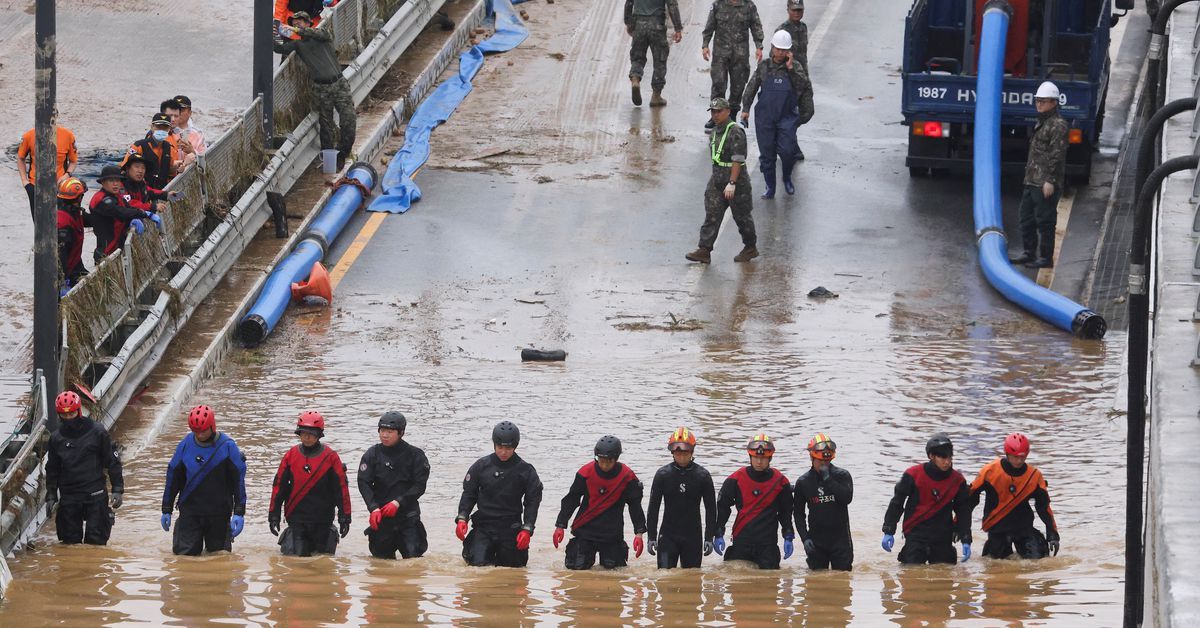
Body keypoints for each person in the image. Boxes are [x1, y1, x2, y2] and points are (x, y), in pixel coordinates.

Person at [161, 405, 249, 556]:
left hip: (219, 514)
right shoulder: (185, 445)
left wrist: (239, 512)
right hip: (190, 512)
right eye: (195, 431)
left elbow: (238, 482)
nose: (199, 435)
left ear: (212, 426)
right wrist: (166, 509)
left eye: (203, 431)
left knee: (219, 559)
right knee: (185, 559)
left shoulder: (228, 447)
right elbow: (173, 477)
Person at [455, 421, 543, 567]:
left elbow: (532, 502)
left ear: (515, 446)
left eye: (508, 448)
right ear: (494, 444)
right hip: (483, 526)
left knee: (512, 570)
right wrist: (462, 518)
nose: (503, 452)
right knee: (477, 567)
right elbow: (469, 494)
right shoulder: (480, 466)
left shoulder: (526, 471)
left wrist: (527, 528)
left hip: (511, 527)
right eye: (500, 447)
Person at [275, 11, 357, 169]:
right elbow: (279, 48)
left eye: (300, 21)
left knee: (348, 120)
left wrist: (297, 31)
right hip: (321, 88)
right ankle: (329, 161)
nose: (296, 24)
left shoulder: (322, 35)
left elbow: (317, 33)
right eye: (294, 22)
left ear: (308, 23)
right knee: (325, 126)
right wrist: (274, 31)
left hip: (339, 84)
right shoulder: (299, 45)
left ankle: (343, 153)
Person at [553, 435, 647, 570]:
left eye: (608, 461)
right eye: (601, 460)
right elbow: (571, 499)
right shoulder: (585, 473)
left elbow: (635, 507)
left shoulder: (628, 477)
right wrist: (560, 525)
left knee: (614, 574)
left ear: (616, 459)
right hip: (585, 531)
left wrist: (639, 533)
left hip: (612, 534)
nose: (604, 465)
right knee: (576, 571)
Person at [740, 29, 813, 199]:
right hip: (765, 117)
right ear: (772, 47)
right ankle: (770, 187)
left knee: (788, 152)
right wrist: (745, 109)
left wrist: (791, 70)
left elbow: (803, 87)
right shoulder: (764, 66)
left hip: (786, 117)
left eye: (783, 50)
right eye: (777, 49)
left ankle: (787, 178)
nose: (780, 53)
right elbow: (751, 87)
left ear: (789, 51)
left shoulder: (795, 67)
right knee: (767, 155)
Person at [267, 411, 353, 556]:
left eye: (311, 433)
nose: (306, 437)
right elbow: (279, 487)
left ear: (319, 434)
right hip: (296, 518)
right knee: (297, 562)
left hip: (323, 519)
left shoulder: (331, 457)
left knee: (322, 563)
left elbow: (341, 489)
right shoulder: (290, 455)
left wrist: (345, 518)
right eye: (303, 433)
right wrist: (273, 515)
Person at [44, 391, 123, 545]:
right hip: (69, 497)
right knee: (69, 544)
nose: (68, 419)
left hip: (95, 494)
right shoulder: (56, 438)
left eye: (71, 414)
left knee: (96, 543)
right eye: (64, 415)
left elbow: (112, 462)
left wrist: (117, 489)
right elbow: (52, 468)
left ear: (79, 411)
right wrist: (51, 495)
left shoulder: (98, 432)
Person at [881, 433, 973, 565]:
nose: (947, 462)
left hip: (943, 537)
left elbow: (963, 511)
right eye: (942, 457)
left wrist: (966, 538)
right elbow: (897, 502)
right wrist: (889, 530)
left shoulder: (958, 481)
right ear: (931, 456)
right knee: (911, 577)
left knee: (945, 579)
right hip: (916, 535)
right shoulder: (913, 475)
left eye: (949, 457)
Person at [686, 98, 758, 264]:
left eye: (719, 111)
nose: (715, 115)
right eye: (713, 111)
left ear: (727, 111)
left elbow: (737, 160)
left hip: (736, 181)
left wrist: (732, 183)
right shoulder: (715, 130)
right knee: (712, 214)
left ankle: (750, 247)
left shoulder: (735, 132)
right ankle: (704, 250)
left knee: (742, 217)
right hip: (717, 179)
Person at [969, 432, 1060, 559]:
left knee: (1039, 561)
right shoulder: (990, 471)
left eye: (1022, 457)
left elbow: (1044, 508)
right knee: (995, 568)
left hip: (1023, 527)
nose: (1019, 461)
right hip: (998, 529)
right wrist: (960, 527)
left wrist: (1053, 535)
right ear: (1007, 454)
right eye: (1015, 457)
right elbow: (969, 499)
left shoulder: (1034, 476)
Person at [1009, 81, 1068, 269]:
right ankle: (1029, 252)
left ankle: (1045, 257)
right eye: (1037, 101)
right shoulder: (1042, 122)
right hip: (1032, 180)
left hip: (1045, 182)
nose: (1039, 104)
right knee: (1025, 218)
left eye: (1043, 101)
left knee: (1045, 220)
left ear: (1053, 103)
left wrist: (1050, 181)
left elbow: (1056, 155)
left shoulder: (1058, 125)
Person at [713, 434, 795, 569]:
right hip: (741, 540)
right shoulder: (736, 479)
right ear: (750, 456)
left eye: (763, 458)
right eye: (756, 457)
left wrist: (788, 535)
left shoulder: (781, 482)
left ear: (770, 458)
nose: (759, 462)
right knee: (737, 584)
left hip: (767, 544)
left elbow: (786, 513)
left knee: (769, 583)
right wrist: (718, 533)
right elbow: (723, 507)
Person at [358, 411, 430, 559]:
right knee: (381, 565)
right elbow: (363, 482)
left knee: (413, 562)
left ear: (401, 432)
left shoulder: (416, 455)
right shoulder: (372, 454)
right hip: (382, 518)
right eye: (382, 431)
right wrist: (373, 508)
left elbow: (419, 486)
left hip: (408, 517)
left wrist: (398, 502)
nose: (385, 435)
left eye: (389, 432)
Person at [645, 427, 717, 569]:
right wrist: (651, 536)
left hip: (693, 537)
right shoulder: (662, 475)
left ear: (692, 452)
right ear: (672, 452)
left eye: (685, 453)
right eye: (678, 453)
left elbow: (711, 509)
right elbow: (653, 507)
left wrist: (709, 537)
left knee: (692, 582)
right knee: (664, 580)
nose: (682, 457)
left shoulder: (702, 475)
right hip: (667, 536)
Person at [793, 433, 853, 570]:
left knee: (843, 581)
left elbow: (847, 498)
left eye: (827, 461)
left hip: (841, 541)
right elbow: (798, 514)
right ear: (812, 457)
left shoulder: (842, 475)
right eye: (820, 461)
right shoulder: (803, 482)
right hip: (816, 542)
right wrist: (805, 538)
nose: (824, 464)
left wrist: (828, 480)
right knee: (815, 584)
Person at [701, 0, 764, 131]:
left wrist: (759, 46)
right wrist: (705, 45)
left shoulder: (749, 6)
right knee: (718, 84)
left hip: (740, 55)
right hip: (720, 54)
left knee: (738, 86)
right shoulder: (718, 5)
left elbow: (756, 26)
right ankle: (716, 116)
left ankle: (732, 114)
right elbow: (709, 26)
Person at [89, 165, 161, 263]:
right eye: (111, 181)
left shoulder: (117, 196)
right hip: (107, 254)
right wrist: (144, 213)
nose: (115, 184)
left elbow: (128, 208)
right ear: (103, 182)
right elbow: (121, 212)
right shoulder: (101, 199)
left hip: (118, 247)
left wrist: (134, 218)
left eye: (118, 180)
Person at [17, 108, 79, 220]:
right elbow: (20, 158)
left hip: (59, 188)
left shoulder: (68, 136)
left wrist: (67, 175)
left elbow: (73, 161)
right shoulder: (29, 136)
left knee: (60, 224)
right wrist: (25, 182)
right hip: (35, 187)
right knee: (39, 226)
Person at [625, 0, 683, 107]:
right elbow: (672, 5)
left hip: (639, 24)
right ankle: (656, 95)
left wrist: (629, 23)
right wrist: (678, 28)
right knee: (659, 60)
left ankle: (635, 78)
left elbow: (629, 3)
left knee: (637, 56)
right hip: (657, 25)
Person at [121, 113, 180, 190]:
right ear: (152, 127)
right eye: (158, 127)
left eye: (165, 128)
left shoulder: (170, 148)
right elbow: (124, 169)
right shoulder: (138, 146)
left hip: (162, 190)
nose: (161, 130)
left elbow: (170, 170)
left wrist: (178, 168)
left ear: (169, 129)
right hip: (141, 190)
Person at [56, 177, 91, 291]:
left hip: (74, 265)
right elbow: (61, 254)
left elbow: (92, 220)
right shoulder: (63, 222)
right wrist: (63, 280)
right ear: (79, 198)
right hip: (62, 273)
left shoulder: (75, 213)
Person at [777, 0, 808, 77]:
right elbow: (774, 55)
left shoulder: (803, 27)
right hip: (787, 74)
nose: (796, 13)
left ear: (803, 10)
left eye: (799, 10)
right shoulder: (782, 30)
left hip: (802, 73)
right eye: (793, 10)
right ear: (788, 10)